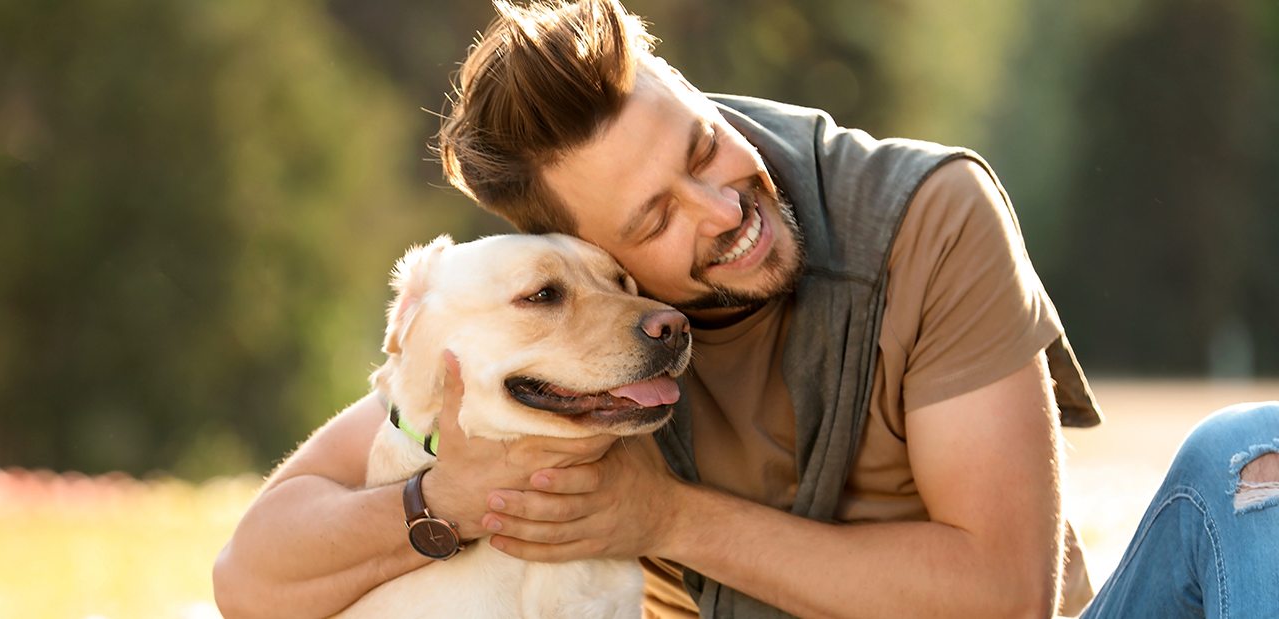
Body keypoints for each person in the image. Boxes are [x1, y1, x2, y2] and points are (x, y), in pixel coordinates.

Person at [211, 1, 1279, 618]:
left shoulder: (924, 215)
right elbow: (250, 572)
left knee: (1252, 461)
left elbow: (1004, 596)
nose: (727, 206)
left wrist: (666, 518)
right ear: (581, 252)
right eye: (655, 220)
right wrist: (442, 497)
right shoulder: (565, 351)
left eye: (699, 141)